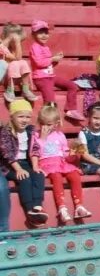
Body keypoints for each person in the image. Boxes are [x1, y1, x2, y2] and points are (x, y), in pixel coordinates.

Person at [32, 103, 89, 225]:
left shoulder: (60, 135)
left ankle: (79, 206)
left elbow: (65, 154)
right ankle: (62, 208)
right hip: (46, 164)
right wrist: (42, 138)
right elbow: (35, 152)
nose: (45, 127)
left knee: (74, 175)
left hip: (61, 162)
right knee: (57, 177)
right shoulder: (36, 135)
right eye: (42, 124)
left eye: (48, 124)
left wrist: (73, 154)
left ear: (56, 123)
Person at [1, 99, 49, 227]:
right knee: (25, 178)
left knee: (38, 175)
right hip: (9, 166)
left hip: (26, 163)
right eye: (21, 116)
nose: (24, 120)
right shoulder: (5, 132)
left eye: (28, 117)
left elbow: (35, 148)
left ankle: (37, 206)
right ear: (12, 117)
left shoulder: (30, 130)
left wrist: (35, 166)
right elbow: (7, 153)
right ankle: (29, 210)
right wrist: (18, 169)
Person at [28, 20, 83, 122]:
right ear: (33, 34)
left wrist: (56, 59)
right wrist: (53, 59)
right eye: (40, 33)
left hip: (50, 76)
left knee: (72, 86)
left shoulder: (46, 47)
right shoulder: (34, 47)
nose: (44, 35)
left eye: (46, 32)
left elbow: (48, 64)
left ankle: (70, 109)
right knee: (50, 99)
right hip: (41, 78)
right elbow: (39, 63)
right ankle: (49, 120)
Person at [2, 23, 38, 103]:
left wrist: (17, 43)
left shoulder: (16, 47)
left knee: (23, 62)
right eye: (14, 39)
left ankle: (25, 89)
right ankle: (10, 90)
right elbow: (16, 58)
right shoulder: (2, 45)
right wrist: (9, 39)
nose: (16, 41)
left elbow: (19, 58)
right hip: (4, 77)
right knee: (15, 63)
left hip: (16, 76)